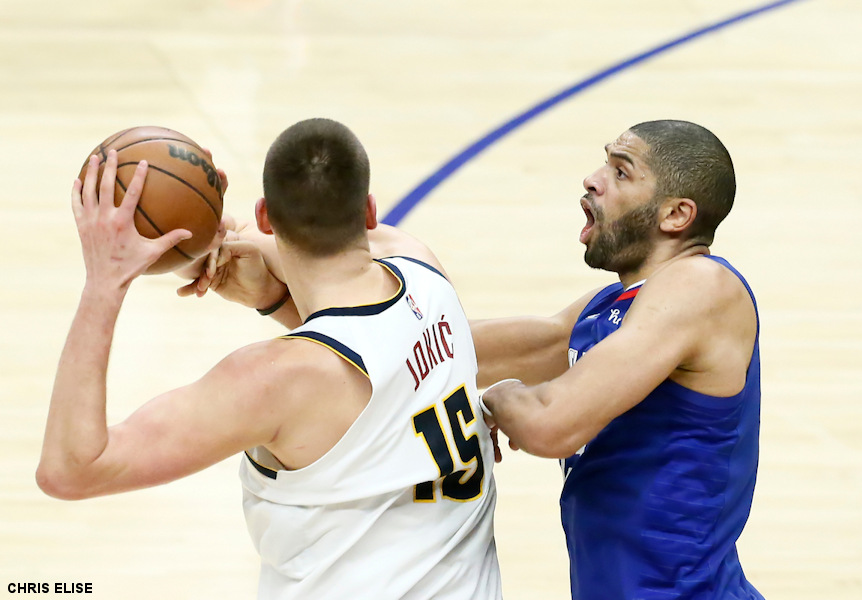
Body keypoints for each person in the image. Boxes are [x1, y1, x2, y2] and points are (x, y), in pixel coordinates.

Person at [200, 119, 764, 600]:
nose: (593, 179)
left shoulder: (701, 286)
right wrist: (270, 278)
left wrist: (491, 400)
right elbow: (433, 346)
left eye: (621, 171)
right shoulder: (614, 309)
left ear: (676, 215)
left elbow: (549, 424)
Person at [37, 118, 502, 600]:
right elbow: (366, 338)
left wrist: (105, 280)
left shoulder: (273, 382)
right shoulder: (423, 272)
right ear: (368, 210)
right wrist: (268, 295)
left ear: (264, 215)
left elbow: (71, 469)